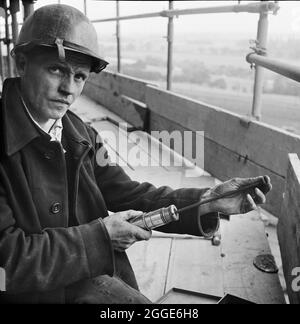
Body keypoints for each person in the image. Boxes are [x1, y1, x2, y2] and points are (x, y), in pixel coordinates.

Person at [0, 4, 271, 304]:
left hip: (90, 277)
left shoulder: (79, 134)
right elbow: (6, 262)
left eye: (80, 77)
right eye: (56, 70)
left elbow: (127, 193)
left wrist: (207, 202)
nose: (68, 89)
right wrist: (100, 238)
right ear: (21, 63)